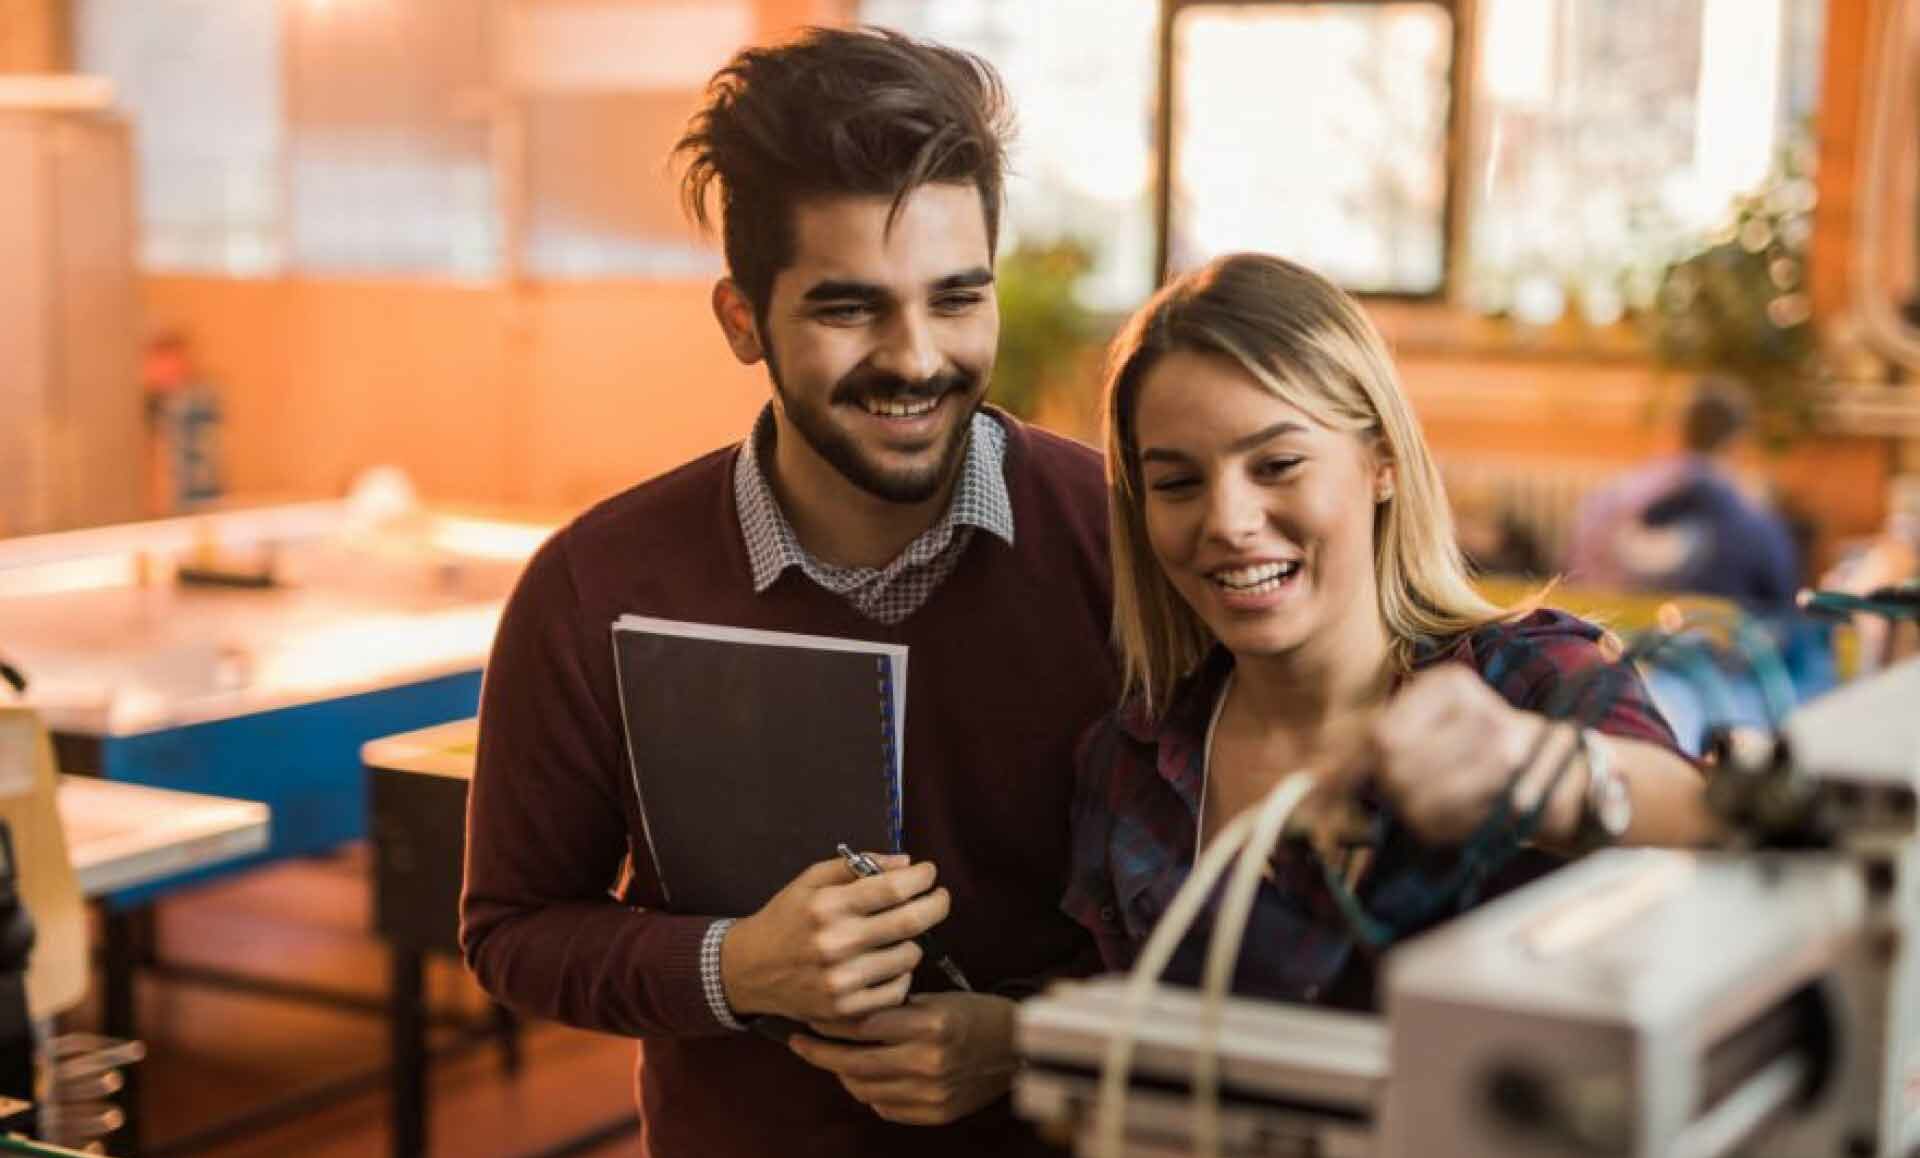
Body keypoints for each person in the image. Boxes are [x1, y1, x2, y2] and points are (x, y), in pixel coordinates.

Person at [460, 27, 1118, 1158]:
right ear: (741, 320)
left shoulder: (1121, 546)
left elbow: (1239, 931)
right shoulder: (593, 586)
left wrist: (1031, 1039)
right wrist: (733, 966)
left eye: (957, 298)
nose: (917, 357)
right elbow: (512, 930)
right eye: (851, 308)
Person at [1063, 254, 1715, 1009]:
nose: (1229, 523)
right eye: (1178, 483)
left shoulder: (1529, 679)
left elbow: (1708, 824)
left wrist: (1553, 774)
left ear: (1382, 463)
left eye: (1276, 464)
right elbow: (1102, 1050)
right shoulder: (1129, 763)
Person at [1565, 376, 1800, 607]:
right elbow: (1781, 607)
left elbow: (1571, 573)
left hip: (1602, 632)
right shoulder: (1754, 526)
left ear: (1675, 429)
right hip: (1706, 636)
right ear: (1738, 441)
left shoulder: (1606, 500)